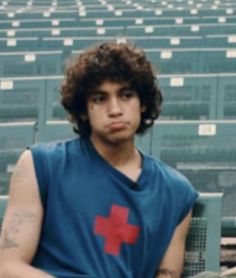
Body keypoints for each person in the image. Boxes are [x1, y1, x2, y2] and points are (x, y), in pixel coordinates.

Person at [0, 42, 198, 278]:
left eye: (126, 95)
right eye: (100, 98)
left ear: (142, 103)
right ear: (83, 110)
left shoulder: (176, 192)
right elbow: (8, 267)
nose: (115, 109)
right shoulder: (39, 165)